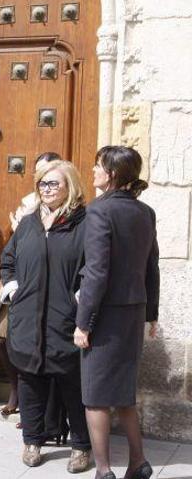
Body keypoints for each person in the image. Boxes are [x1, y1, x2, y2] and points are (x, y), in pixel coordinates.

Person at [74, 146, 159, 479]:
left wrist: (84, 323)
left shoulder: (99, 212)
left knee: (95, 396)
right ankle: (138, 462)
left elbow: (96, 272)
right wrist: (151, 313)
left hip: (105, 316)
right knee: (124, 394)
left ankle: (104, 470)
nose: (93, 170)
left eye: (98, 166)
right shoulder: (145, 212)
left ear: (111, 173)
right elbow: (152, 265)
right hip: (133, 313)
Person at [0, 160, 91, 472]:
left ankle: (81, 446)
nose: (47, 189)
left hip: (65, 320)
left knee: (72, 385)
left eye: (54, 183)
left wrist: (77, 301)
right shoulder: (28, 223)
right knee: (30, 382)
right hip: (28, 318)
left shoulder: (84, 222)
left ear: (71, 186)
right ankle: (33, 440)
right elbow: (8, 259)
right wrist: (14, 291)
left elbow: (92, 269)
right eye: (42, 184)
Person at [0, 152, 62, 422]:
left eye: (49, 174)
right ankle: (16, 391)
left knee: (42, 346)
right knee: (3, 338)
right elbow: (13, 248)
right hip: (18, 283)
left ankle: (38, 409)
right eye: (39, 174)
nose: (44, 180)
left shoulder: (65, 207)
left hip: (46, 287)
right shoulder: (27, 204)